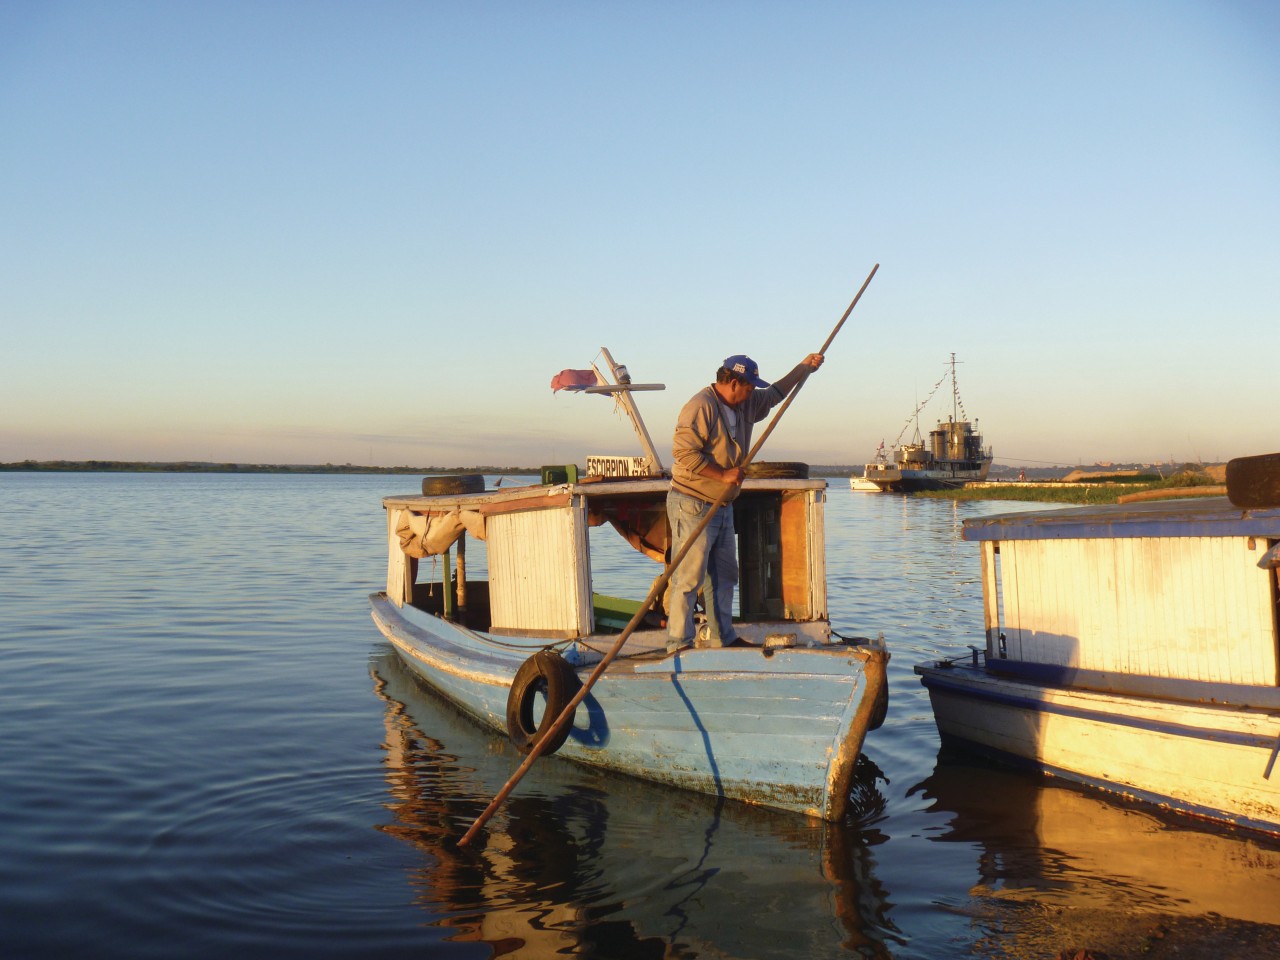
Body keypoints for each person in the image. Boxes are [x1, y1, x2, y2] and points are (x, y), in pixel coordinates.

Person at [665, 352, 824, 653]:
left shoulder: (746, 404)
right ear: (733, 382)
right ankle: (678, 646)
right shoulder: (700, 407)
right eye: (749, 387)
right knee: (688, 579)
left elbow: (775, 394)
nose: (753, 393)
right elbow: (683, 454)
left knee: (724, 577)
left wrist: (804, 368)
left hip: (723, 506)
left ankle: (722, 638)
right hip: (692, 503)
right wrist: (722, 474)